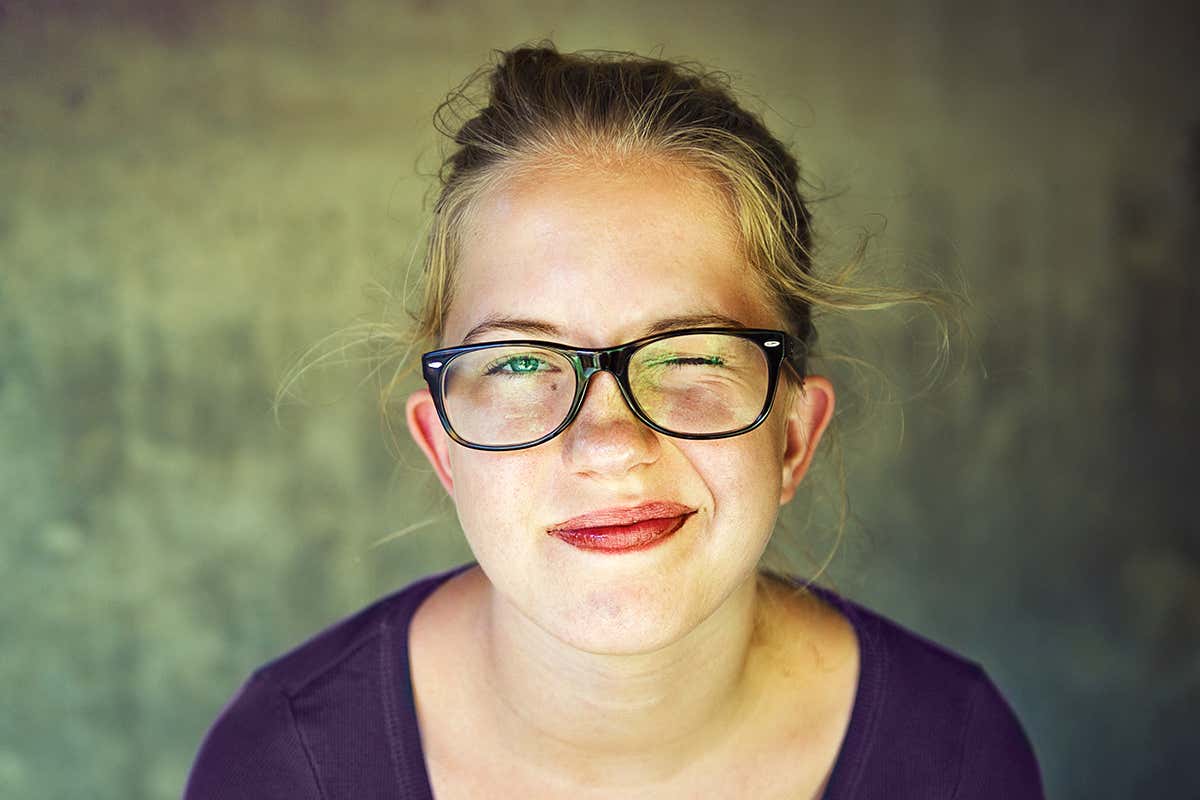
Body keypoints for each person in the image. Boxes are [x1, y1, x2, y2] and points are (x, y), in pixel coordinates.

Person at [185, 43, 1044, 799]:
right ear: (444, 450)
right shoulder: (286, 766)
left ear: (793, 436)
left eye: (690, 356)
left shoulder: (954, 753)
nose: (608, 445)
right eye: (522, 362)